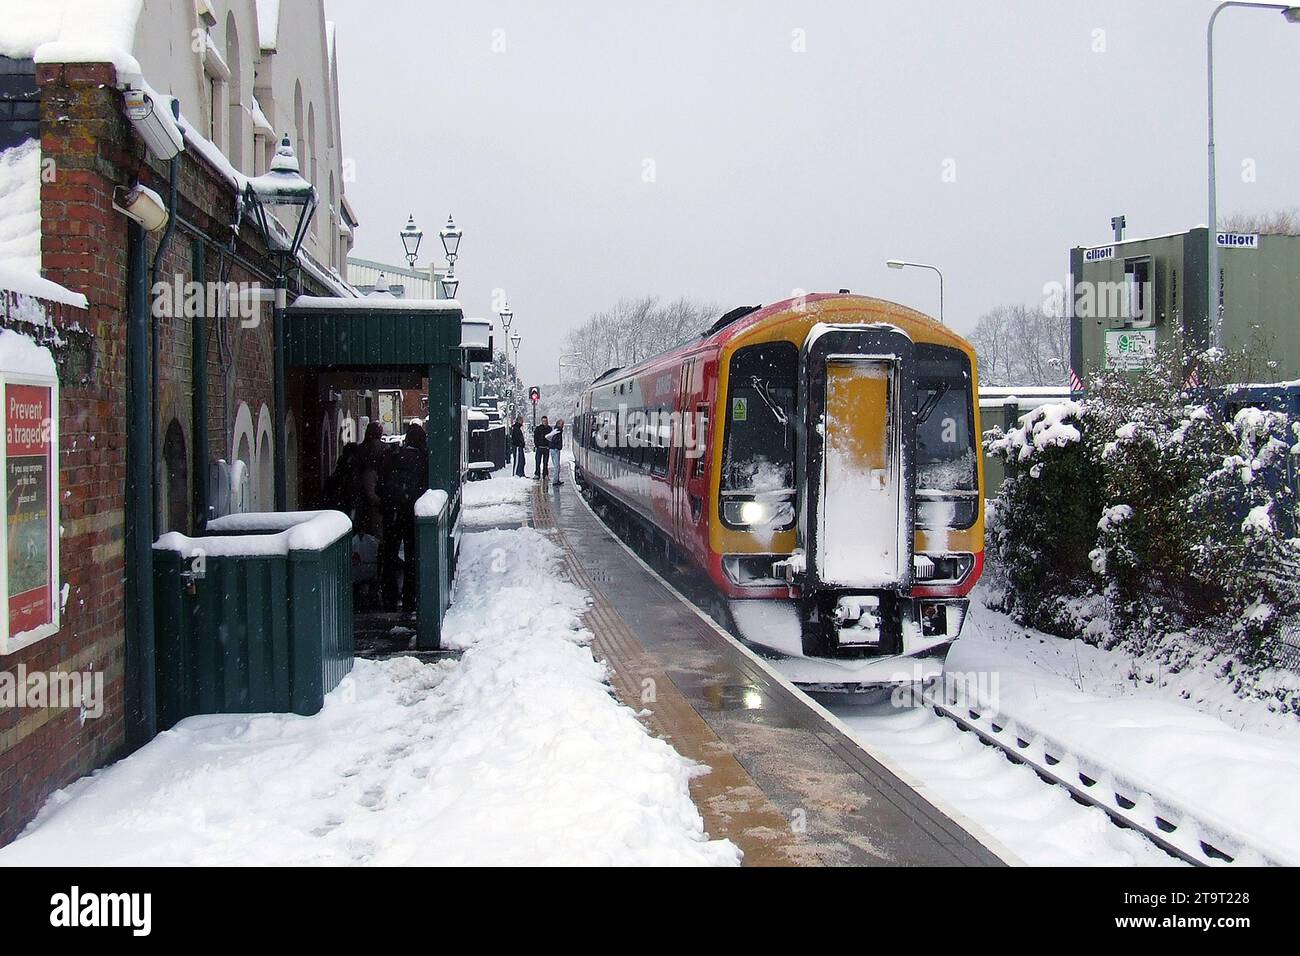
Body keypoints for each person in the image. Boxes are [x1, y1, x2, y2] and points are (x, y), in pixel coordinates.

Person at [380, 422, 429, 613]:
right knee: (412, 557)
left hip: (392, 512)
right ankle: (410, 599)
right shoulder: (423, 459)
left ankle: (389, 598)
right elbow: (426, 486)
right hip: (412, 512)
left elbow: (382, 483)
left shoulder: (393, 456)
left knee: (389, 556)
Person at [532, 416, 550, 480]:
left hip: (546, 448)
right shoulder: (538, 428)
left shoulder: (549, 429)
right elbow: (535, 437)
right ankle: (537, 474)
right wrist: (536, 444)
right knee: (537, 462)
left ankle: (545, 474)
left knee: (545, 462)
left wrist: (549, 445)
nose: (544, 422)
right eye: (543, 421)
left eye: (545, 421)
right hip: (539, 447)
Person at [548, 418, 565, 487]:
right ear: (559, 424)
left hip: (553, 449)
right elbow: (554, 439)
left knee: (556, 465)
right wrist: (558, 445)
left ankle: (556, 480)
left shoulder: (555, 430)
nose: (563, 425)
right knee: (556, 466)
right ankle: (555, 481)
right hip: (555, 449)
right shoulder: (557, 431)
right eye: (562, 424)